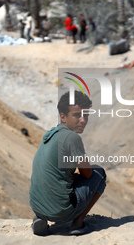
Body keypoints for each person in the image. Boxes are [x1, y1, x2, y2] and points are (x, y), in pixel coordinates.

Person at [29, 91, 106, 236]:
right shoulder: (71, 137)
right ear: (63, 117)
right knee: (99, 173)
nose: (83, 120)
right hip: (60, 212)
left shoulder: (51, 135)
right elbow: (88, 173)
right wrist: (79, 174)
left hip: (36, 206)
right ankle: (77, 223)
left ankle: (40, 217)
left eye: (86, 115)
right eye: (77, 115)